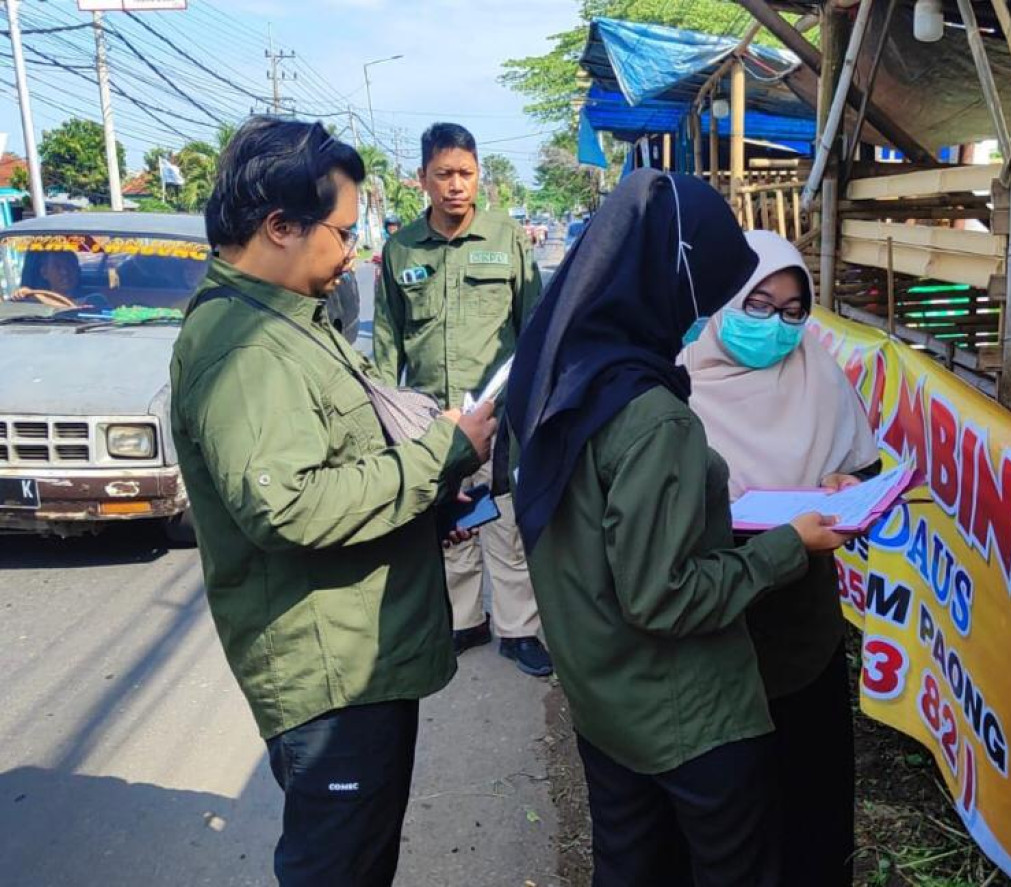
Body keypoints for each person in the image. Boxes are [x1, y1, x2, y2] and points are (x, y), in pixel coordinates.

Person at [169, 117, 495, 886]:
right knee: (339, 866)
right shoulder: (245, 346)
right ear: (279, 226)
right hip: (331, 675)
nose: (353, 250)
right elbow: (290, 507)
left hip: (359, 654)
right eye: (343, 232)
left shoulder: (288, 316)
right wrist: (437, 456)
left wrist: (423, 499)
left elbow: (335, 461)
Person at [506, 169, 855, 886]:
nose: (767, 321)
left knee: (634, 859)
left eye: (791, 308)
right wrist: (787, 545)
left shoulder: (557, 376)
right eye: (732, 291)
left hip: (610, 688)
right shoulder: (654, 413)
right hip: (684, 700)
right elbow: (661, 594)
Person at [681, 229, 876, 886]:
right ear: (724, 298)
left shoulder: (816, 369)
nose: (779, 325)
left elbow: (861, 465)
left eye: (795, 311)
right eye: (759, 304)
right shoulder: (678, 385)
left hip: (802, 630)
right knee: (734, 813)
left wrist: (850, 489)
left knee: (813, 806)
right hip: (715, 631)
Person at [373, 122, 551, 677]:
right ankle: (464, 621)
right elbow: (386, 343)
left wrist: (533, 408)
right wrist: (383, 422)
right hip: (430, 417)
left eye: (466, 174)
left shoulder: (507, 239)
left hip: (499, 415)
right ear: (422, 179)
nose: (456, 185)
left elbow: (536, 328)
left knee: (506, 524)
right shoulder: (400, 250)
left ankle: (519, 629)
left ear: (480, 177)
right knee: (449, 524)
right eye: (444, 174)